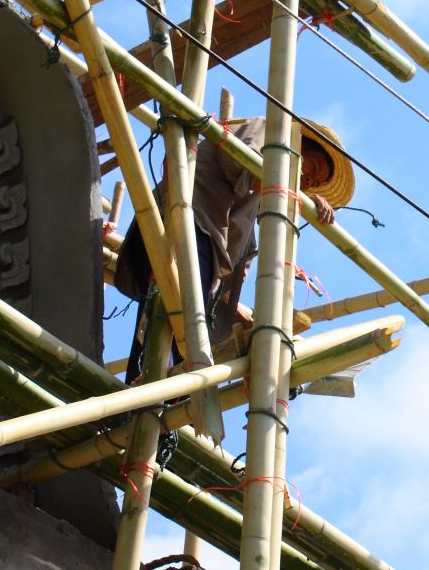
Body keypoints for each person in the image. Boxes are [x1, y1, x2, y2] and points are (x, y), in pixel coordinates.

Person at [115, 116, 354, 379]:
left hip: (201, 237)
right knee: (173, 324)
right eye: (313, 167)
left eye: (315, 183)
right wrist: (291, 189)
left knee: (180, 336)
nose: (309, 181)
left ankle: (155, 394)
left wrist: (304, 199)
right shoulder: (268, 133)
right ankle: (150, 391)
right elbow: (248, 167)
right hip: (187, 221)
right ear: (298, 144)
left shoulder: (255, 202)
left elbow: (255, 223)